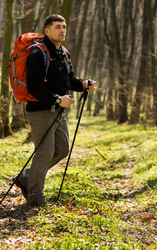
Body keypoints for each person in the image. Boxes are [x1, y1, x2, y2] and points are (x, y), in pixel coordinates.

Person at [14, 14, 96, 206]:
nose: (62, 30)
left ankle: (26, 179)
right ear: (47, 30)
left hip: (59, 111)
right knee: (44, 153)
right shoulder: (37, 53)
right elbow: (34, 86)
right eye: (58, 27)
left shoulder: (64, 53)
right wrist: (58, 99)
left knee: (62, 149)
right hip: (40, 111)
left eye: (64, 26)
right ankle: (35, 197)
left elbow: (69, 81)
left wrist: (83, 84)